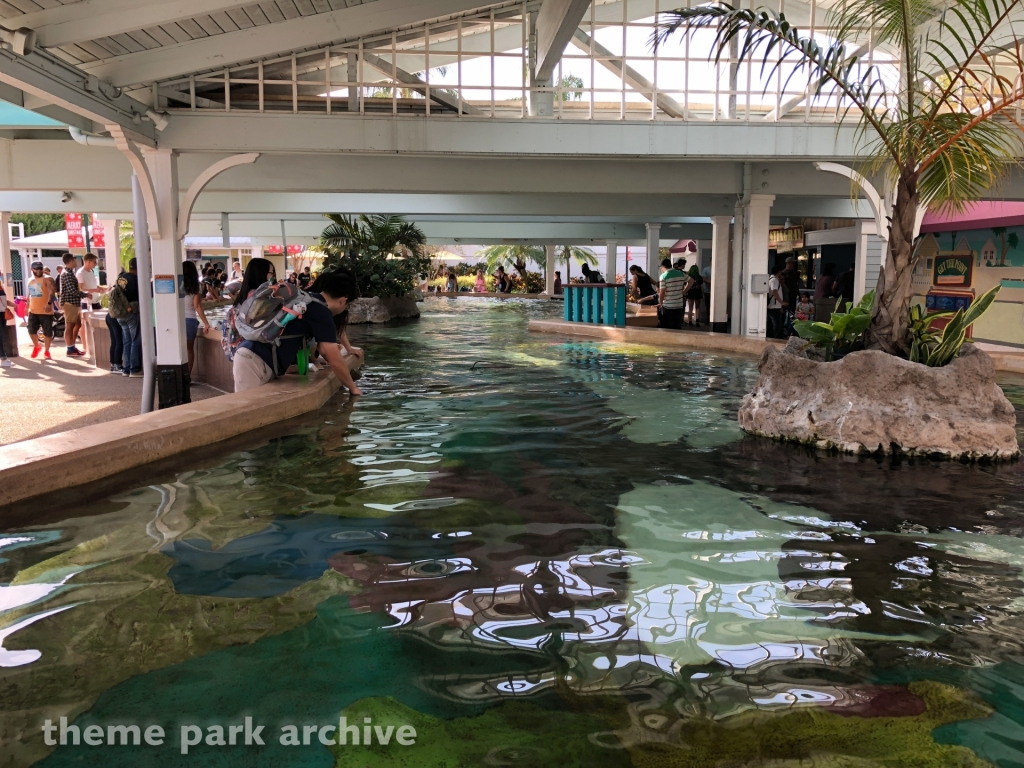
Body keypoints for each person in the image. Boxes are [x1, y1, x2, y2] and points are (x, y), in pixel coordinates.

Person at [232, 269, 363, 396]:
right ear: (343, 300)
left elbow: (323, 350)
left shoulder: (307, 299)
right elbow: (333, 357)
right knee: (248, 412)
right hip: (255, 361)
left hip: (251, 356)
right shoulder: (322, 313)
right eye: (347, 305)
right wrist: (352, 387)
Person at [182, 260, 212, 375]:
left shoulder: (176, 284)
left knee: (178, 349)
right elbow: (197, 306)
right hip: (190, 320)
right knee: (189, 349)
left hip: (177, 321)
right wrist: (206, 323)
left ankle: (178, 376)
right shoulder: (196, 286)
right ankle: (187, 376)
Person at [114, 258, 143, 377]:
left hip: (120, 313)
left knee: (126, 341)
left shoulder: (120, 277)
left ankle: (126, 369)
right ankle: (134, 369)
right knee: (135, 340)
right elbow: (140, 295)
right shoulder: (136, 279)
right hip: (132, 312)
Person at [26, 261, 56, 359]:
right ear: (32, 269)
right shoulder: (30, 280)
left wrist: (49, 303)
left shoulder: (47, 279)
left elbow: (52, 291)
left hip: (45, 311)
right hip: (33, 310)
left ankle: (47, 351)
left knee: (47, 332)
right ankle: (37, 346)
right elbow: (30, 294)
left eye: (40, 268)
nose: (39, 270)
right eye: (36, 268)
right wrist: (27, 306)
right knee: (31, 330)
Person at [58, 254, 86, 357]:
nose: (76, 261)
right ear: (70, 261)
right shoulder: (67, 274)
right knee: (70, 326)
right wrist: (85, 294)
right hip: (69, 303)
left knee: (77, 324)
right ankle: (70, 348)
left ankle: (72, 346)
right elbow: (72, 290)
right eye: (74, 259)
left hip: (73, 303)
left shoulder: (69, 273)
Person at [76, 253, 101, 356]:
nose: (95, 265)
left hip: (95, 300)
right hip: (85, 302)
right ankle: (85, 346)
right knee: (84, 324)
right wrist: (95, 289)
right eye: (94, 262)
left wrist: (100, 288)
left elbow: (93, 284)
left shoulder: (90, 271)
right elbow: (80, 288)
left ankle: (95, 345)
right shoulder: (80, 273)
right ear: (88, 261)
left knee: (96, 324)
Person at [657, 258, 686, 329]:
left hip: (668, 306)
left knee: (668, 326)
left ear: (663, 267)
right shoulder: (681, 273)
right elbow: (691, 281)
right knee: (677, 325)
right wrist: (684, 291)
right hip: (679, 304)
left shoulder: (663, 276)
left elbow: (662, 292)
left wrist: (660, 303)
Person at [767, 263, 787, 339]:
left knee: (771, 323)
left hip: (772, 305)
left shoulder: (770, 279)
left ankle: (771, 336)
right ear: (778, 272)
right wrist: (781, 302)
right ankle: (775, 338)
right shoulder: (774, 280)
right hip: (774, 306)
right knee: (777, 324)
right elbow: (774, 291)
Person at [0, 277, 12, 368]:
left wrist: (13, 304)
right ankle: (3, 358)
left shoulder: (1, 287)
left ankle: (3, 358)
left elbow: (4, 301)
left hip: (2, 314)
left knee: (1, 335)